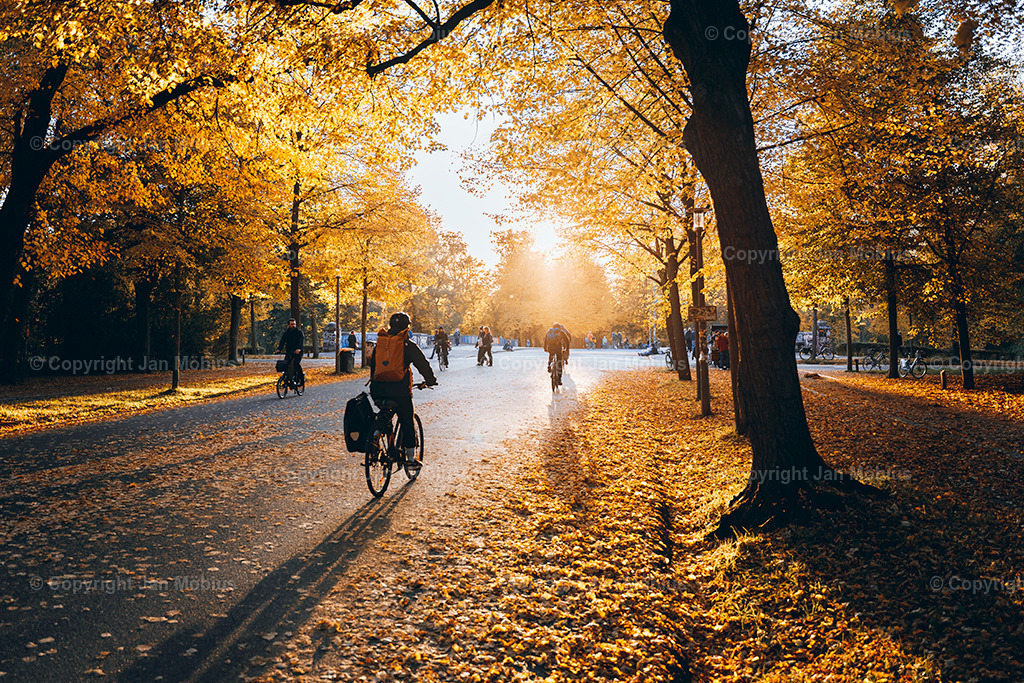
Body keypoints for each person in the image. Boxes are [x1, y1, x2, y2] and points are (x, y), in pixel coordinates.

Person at [369, 312, 437, 465]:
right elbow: (422, 364)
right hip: (400, 391)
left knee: (384, 413)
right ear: (407, 327)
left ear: (390, 326)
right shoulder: (407, 344)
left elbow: (373, 367)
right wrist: (430, 380)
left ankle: (377, 432)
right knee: (407, 420)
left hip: (377, 390)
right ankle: (411, 459)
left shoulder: (381, 343)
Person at [276, 318, 305, 383]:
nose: (293, 325)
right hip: (289, 351)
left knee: (296, 364)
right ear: (288, 325)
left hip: (298, 352)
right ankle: (286, 380)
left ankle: (301, 379)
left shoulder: (299, 333)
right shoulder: (286, 333)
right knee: (285, 364)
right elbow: (282, 341)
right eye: (291, 324)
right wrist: (279, 349)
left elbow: (301, 341)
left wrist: (299, 349)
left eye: (294, 324)